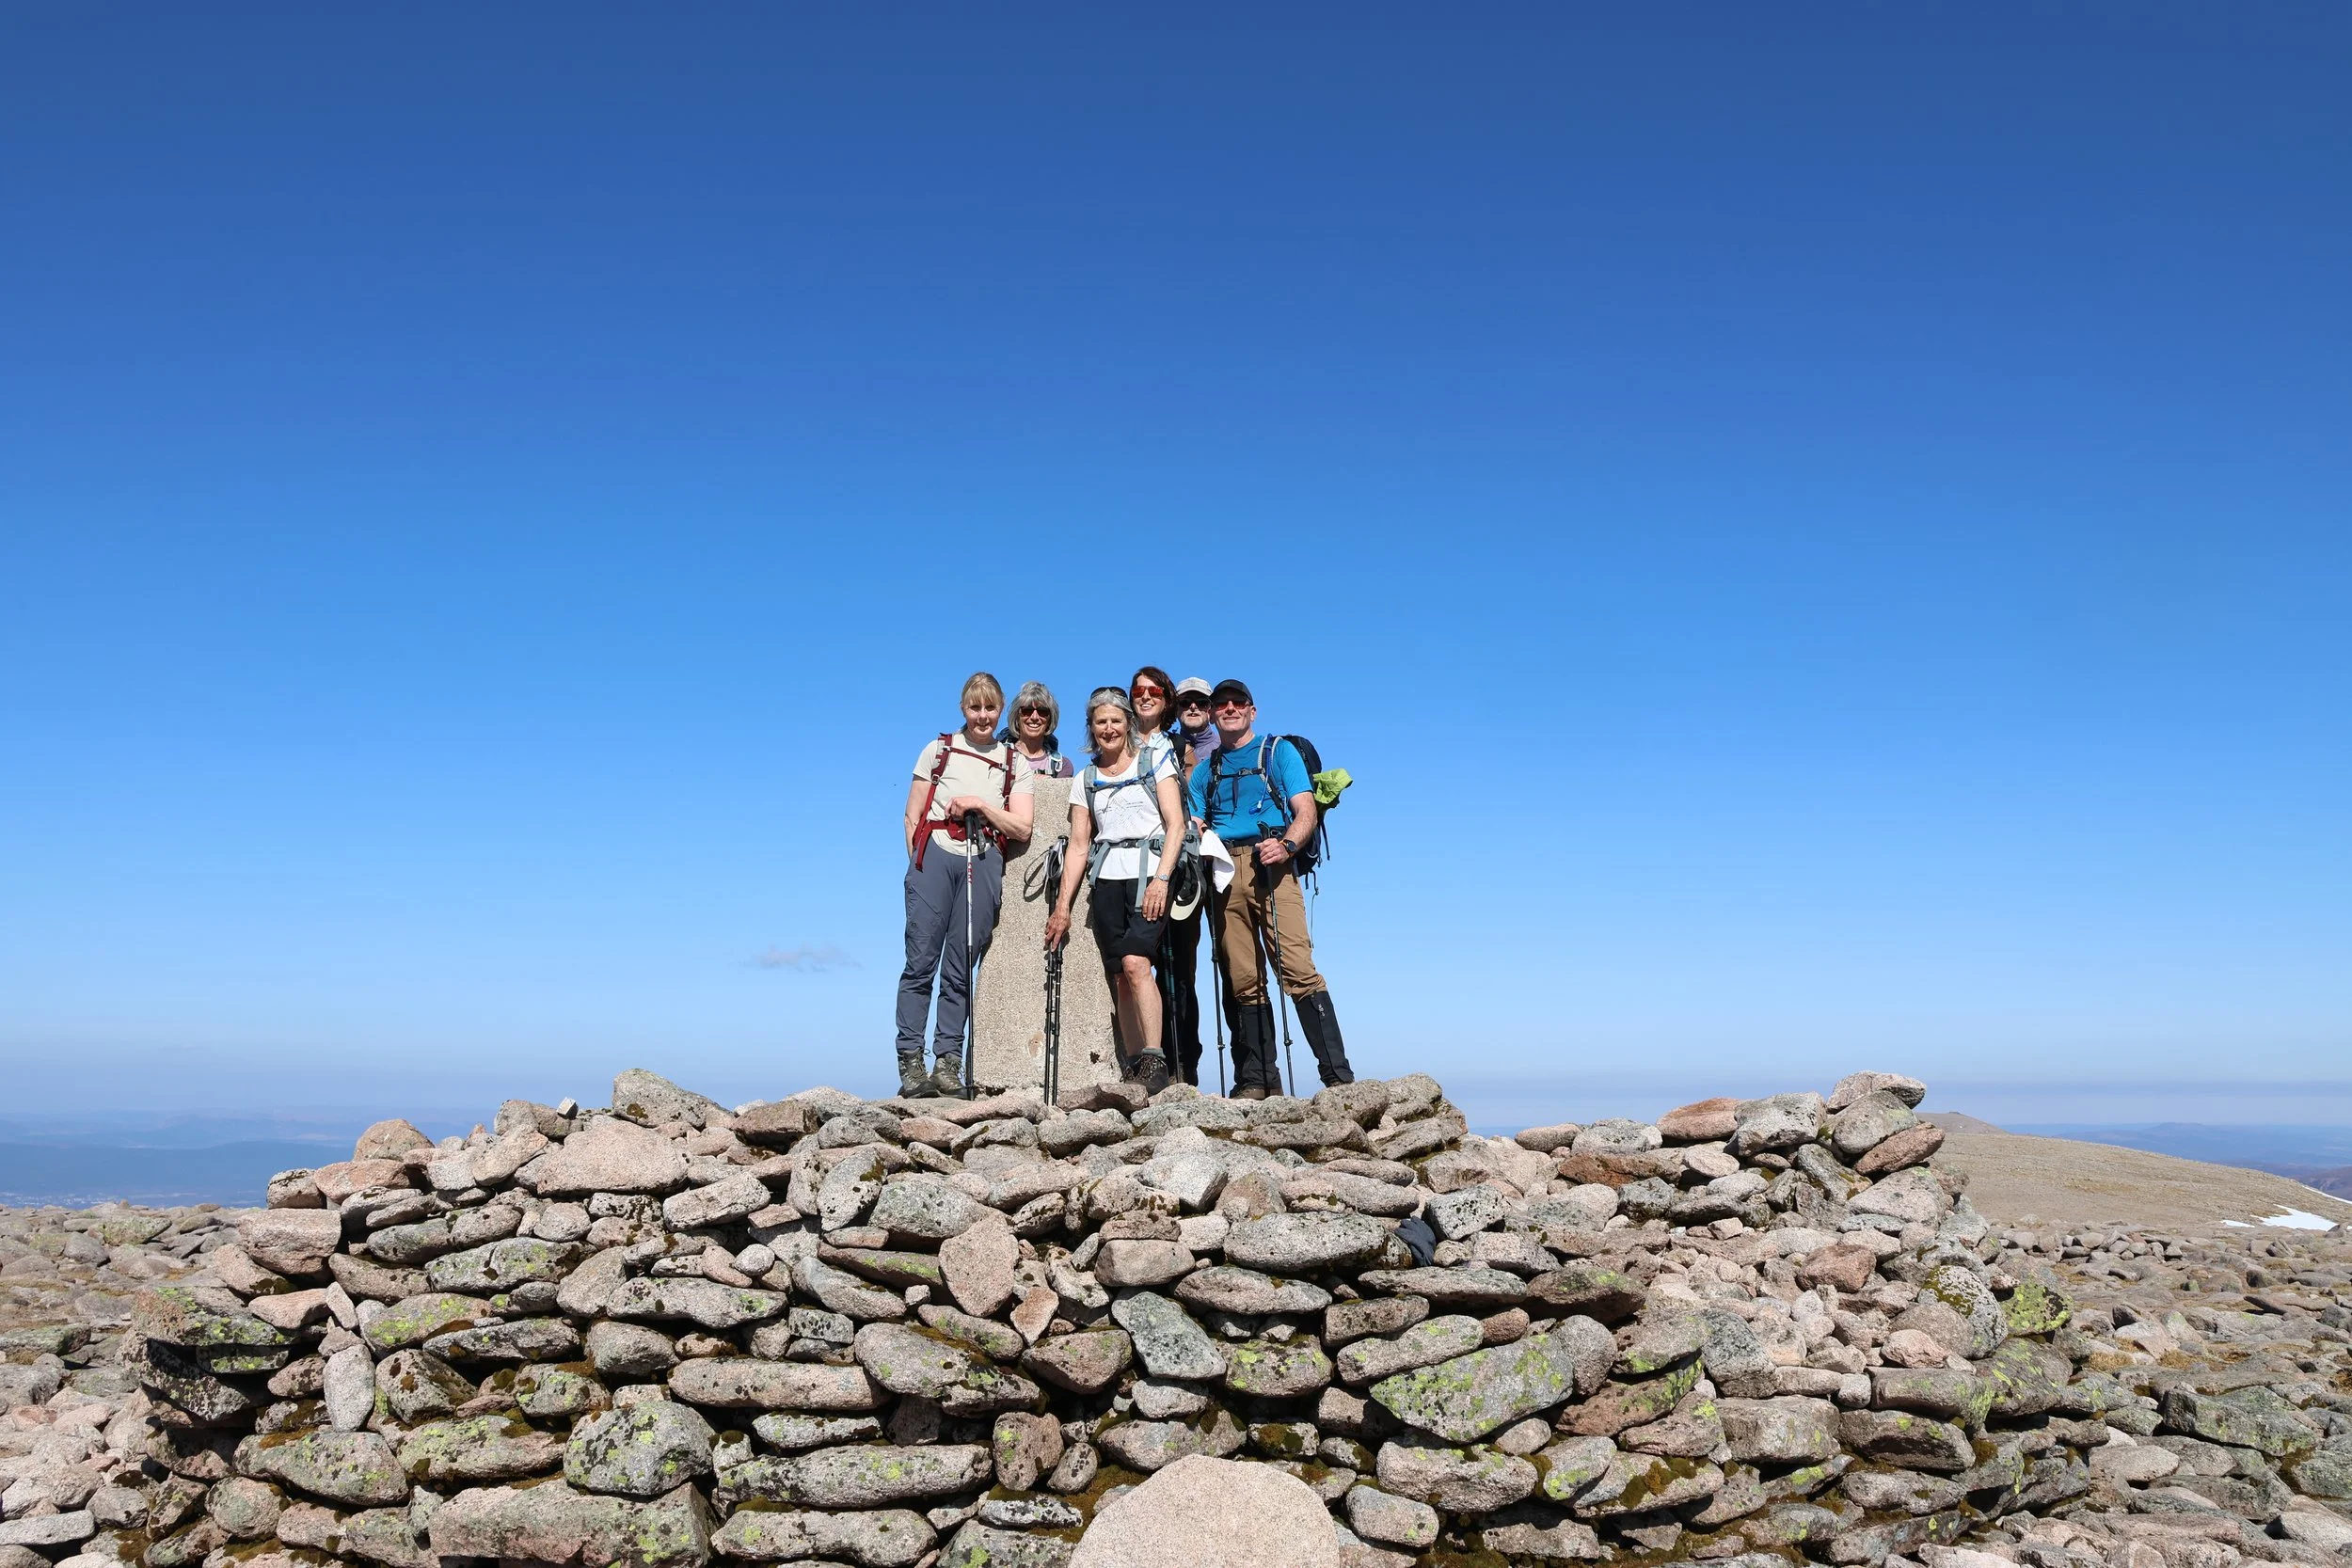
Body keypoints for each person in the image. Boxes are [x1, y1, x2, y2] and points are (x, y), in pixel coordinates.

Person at [1187, 678, 1356, 1098]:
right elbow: (1194, 821)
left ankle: (1338, 1078)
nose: (1229, 709)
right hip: (1224, 871)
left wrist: (1286, 845)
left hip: (1273, 867)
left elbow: (1305, 809)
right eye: (1221, 703)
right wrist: (1202, 834)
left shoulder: (1278, 752)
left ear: (1252, 710)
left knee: (1297, 969)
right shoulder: (1205, 770)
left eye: (1237, 702)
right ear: (1212, 713)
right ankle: (1258, 1081)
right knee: (1243, 977)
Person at [897, 673, 1035, 1098]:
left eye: (990, 708)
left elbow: (1022, 827)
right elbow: (911, 815)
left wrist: (980, 805)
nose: (983, 716)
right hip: (935, 857)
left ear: (1000, 710)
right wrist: (920, 867)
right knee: (921, 963)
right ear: (963, 708)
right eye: (975, 707)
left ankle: (947, 1066)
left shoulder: (1015, 763)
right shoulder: (938, 750)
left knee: (960, 969)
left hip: (984, 860)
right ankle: (911, 1065)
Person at [1044, 687, 1186, 1094]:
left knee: (1137, 962)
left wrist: (1162, 879)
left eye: (1115, 720)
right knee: (1120, 975)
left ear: (1128, 723)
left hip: (1150, 875)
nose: (1108, 728)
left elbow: (1174, 825)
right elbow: (1078, 846)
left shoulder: (1155, 760)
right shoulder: (1086, 780)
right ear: (1091, 728)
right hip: (1106, 879)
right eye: (1100, 722)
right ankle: (1135, 1062)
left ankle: (1156, 1061)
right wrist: (1062, 907)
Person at [1148, 673, 1222, 1085]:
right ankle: (1176, 1063)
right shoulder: (1170, 746)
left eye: (1200, 702)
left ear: (1209, 707)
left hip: (1213, 864)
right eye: (1186, 702)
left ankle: (1247, 1070)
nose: (1193, 708)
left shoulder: (1221, 748)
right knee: (1172, 968)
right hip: (1180, 869)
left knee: (1222, 967)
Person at [1000, 681, 1075, 779]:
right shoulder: (1000, 757)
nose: (1034, 717)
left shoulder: (1062, 766)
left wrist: (1050, 783)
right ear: (1016, 716)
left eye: (1042, 712)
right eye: (1027, 710)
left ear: (1050, 719)